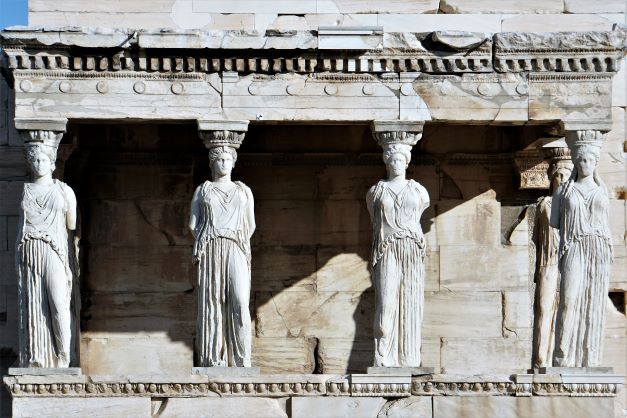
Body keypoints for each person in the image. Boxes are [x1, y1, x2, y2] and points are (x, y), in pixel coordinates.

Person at [189, 145, 255, 367]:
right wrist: (208, 237)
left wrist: (234, 236)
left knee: (239, 300)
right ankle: (214, 358)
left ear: (234, 162)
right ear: (212, 163)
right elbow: (193, 224)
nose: (224, 163)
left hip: (236, 245)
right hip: (211, 247)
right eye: (219, 159)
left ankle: (241, 358)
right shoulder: (203, 190)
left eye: (228, 159)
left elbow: (251, 224)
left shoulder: (244, 191)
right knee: (213, 300)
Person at [366, 143, 429, 367]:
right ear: (386, 162)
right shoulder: (376, 191)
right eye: (393, 160)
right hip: (387, 248)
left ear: (407, 162)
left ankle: (408, 359)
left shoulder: (419, 190)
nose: (397, 164)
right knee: (386, 302)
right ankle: (383, 356)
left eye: (401, 160)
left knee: (411, 302)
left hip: (412, 247)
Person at [550, 143, 612, 367]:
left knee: (594, 301)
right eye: (581, 160)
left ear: (595, 164)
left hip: (598, 248)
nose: (584, 164)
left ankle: (589, 358)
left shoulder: (602, 191)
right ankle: (562, 355)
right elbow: (555, 221)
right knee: (569, 299)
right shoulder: (563, 192)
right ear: (576, 162)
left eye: (589, 161)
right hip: (573, 246)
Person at [17, 138, 77, 368]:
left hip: (55, 250)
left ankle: (63, 356)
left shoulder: (64, 191)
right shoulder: (25, 190)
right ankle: (39, 357)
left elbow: (71, 224)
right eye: (34, 159)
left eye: (43, 159)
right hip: (29, 249)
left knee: (58, 302)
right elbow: (20, 229)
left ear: (52, 163)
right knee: (35, 304)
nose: (39, 163)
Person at [532, 161, 572, 369]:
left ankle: (559, 360)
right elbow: (535, 238)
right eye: (559, 175)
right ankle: (540, 359)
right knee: (545, 307)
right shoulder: (544, 204)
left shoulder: (574, 204)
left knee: (564, 309)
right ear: (552, 178)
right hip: (547, 263)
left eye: (566, 175)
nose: (563, 179)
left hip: (568, 264)